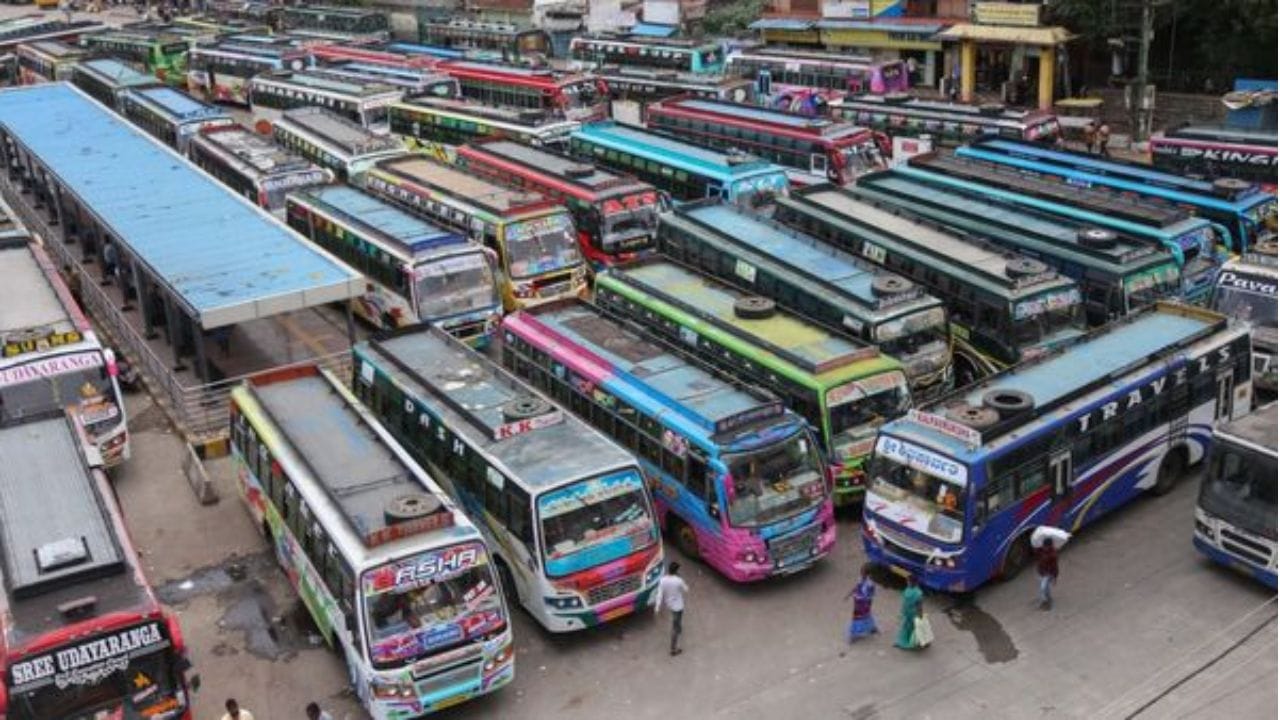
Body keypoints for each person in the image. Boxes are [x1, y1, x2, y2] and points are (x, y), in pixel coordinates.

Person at [653, 561, 689, 656]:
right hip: (678, 605)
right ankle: (673, 649)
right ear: (676, 571)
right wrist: (681, 580)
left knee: (677, 618)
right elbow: (686, 589)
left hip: (669, 604)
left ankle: (679, 628)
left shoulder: (663, 580)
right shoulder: (678, 580)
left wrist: (657, 607)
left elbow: (659, 594)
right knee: (675, 626)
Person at [844, 564, 878, 642]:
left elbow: (871, 596)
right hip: (858, 602)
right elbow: (856, 587)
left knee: (858, 617)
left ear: (869, 574)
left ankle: (853, 635)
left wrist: (866, 603)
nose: (861, 575)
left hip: (863, 604)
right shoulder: (860, 579)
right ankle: (872, 628)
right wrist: (849, 594)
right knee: (865, 615)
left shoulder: (870, 584)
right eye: (861, 573)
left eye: (863, 573)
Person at [894, 575, 924, 649]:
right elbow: (905, 601)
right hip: (907, 612)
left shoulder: (918, 593)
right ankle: (904, 641)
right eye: (907, 581)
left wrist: (920, 615)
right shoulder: (908, 589)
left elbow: (919, 606)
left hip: (913, 614)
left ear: (914, 582)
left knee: (912, 628)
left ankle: (910, 642)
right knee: (906, 627)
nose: (907, 583)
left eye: (908, 581)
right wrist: (902, 611)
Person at [1035, 537, 1059, 610]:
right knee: (1046, 587)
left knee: (1043, 587)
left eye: (1046, 546)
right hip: (1041, 571)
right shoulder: (1041, 550)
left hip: (1048, 573)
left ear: (1049, 546)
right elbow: (1037, 554)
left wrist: (1055, 577)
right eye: (1044, 546)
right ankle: (1048, 599)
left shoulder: (1053, 555)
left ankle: (1045, 601)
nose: (1045, 547)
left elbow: (1055, 567)